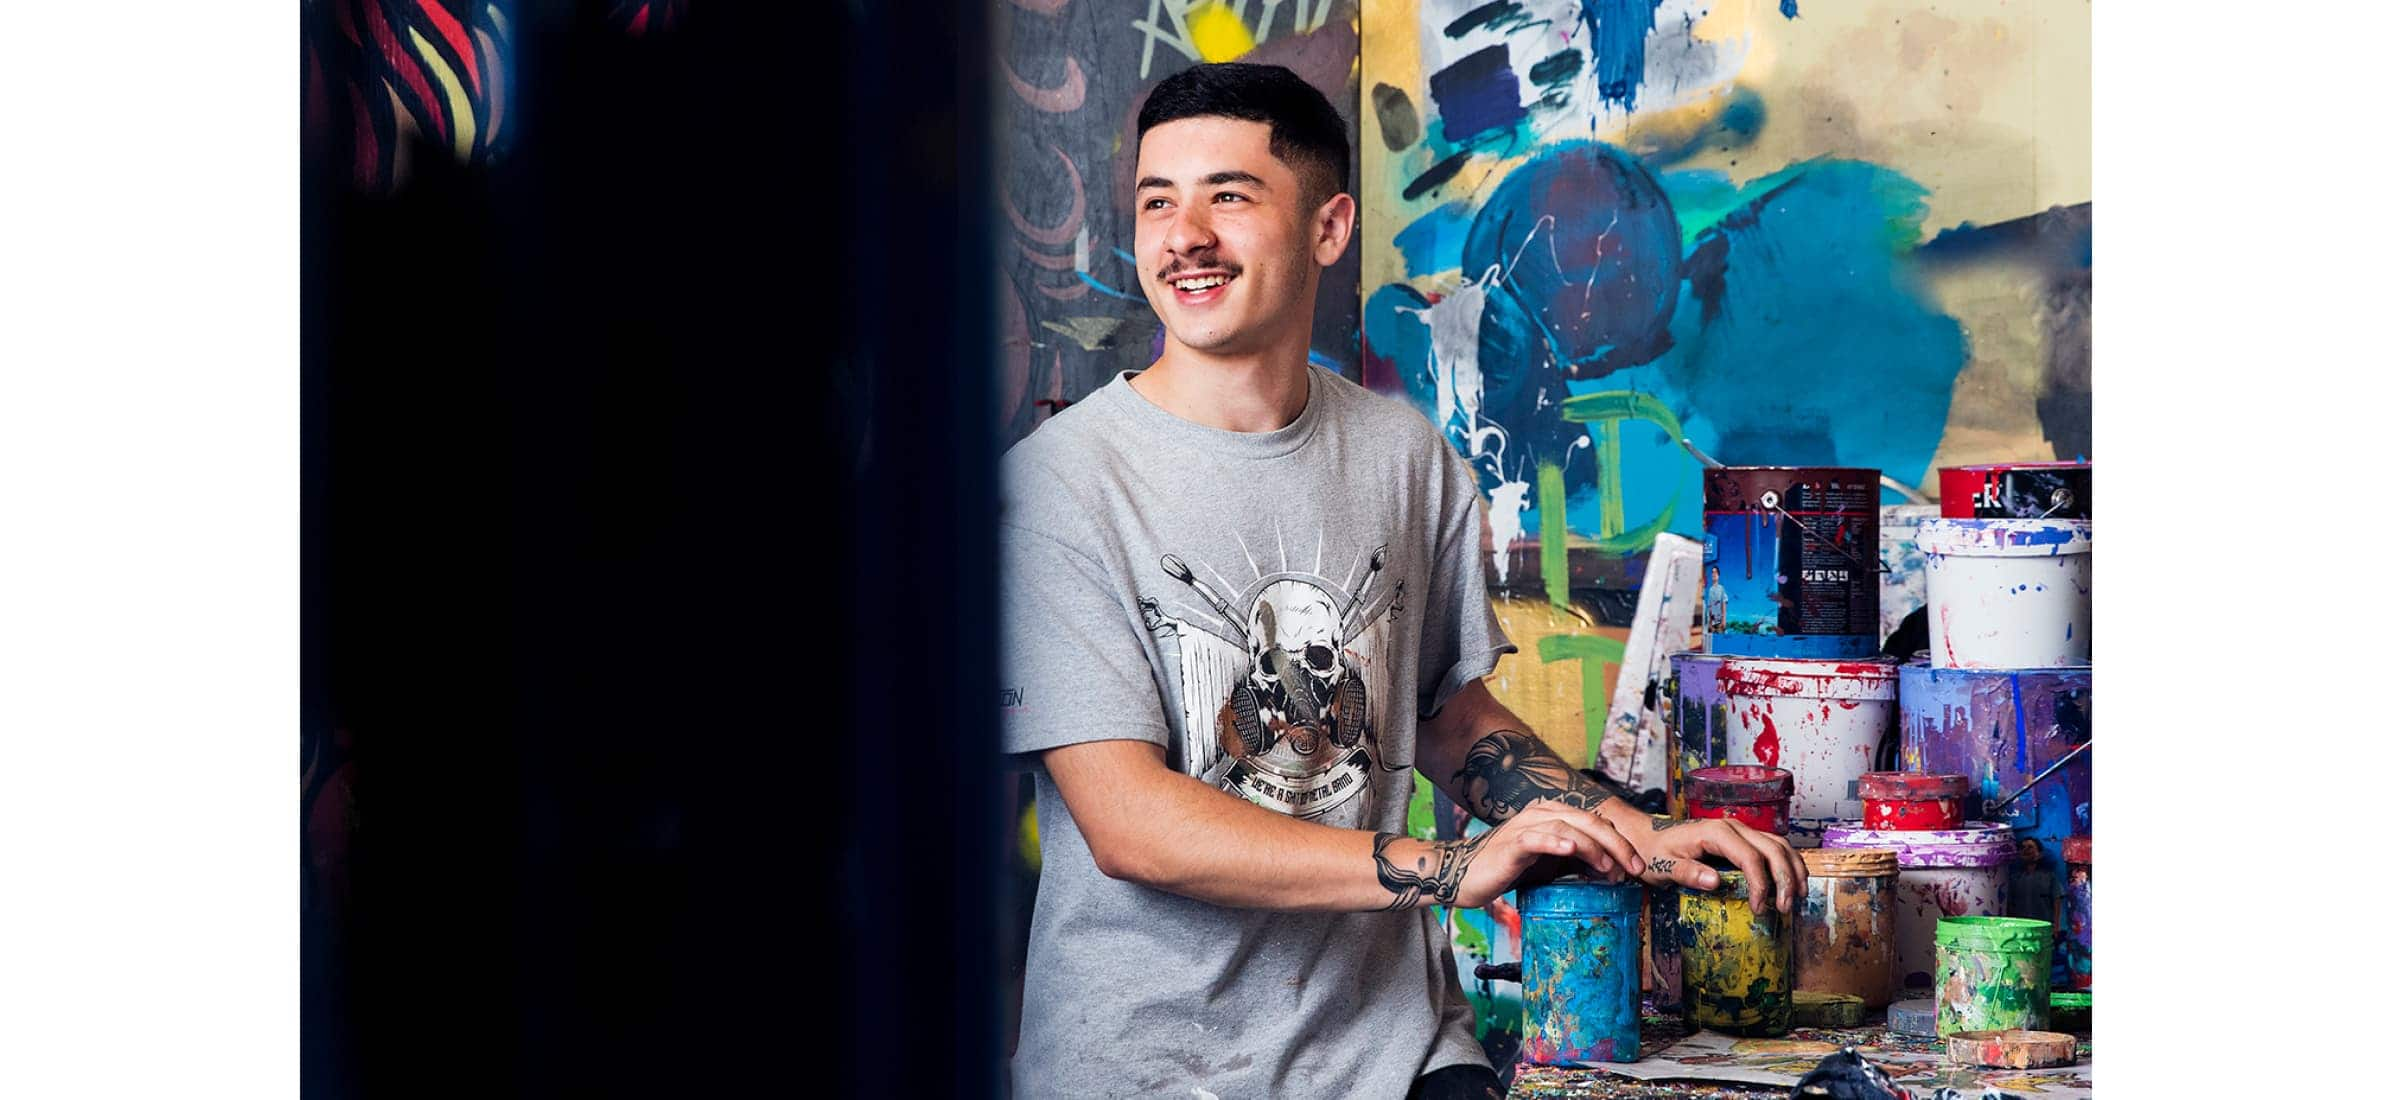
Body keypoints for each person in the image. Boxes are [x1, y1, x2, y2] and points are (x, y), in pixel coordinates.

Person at [998, 62, 1805, 1100]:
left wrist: (1636, 835)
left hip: (1400, 1053)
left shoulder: (1400, 451)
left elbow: (1447, 719)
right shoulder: (1058, 485)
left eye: (1228, 197)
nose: (1183, 234)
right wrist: (1446, 867)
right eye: (1159, 201)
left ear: (1329, 228)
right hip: (1153, 1069)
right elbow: (1130, 821)